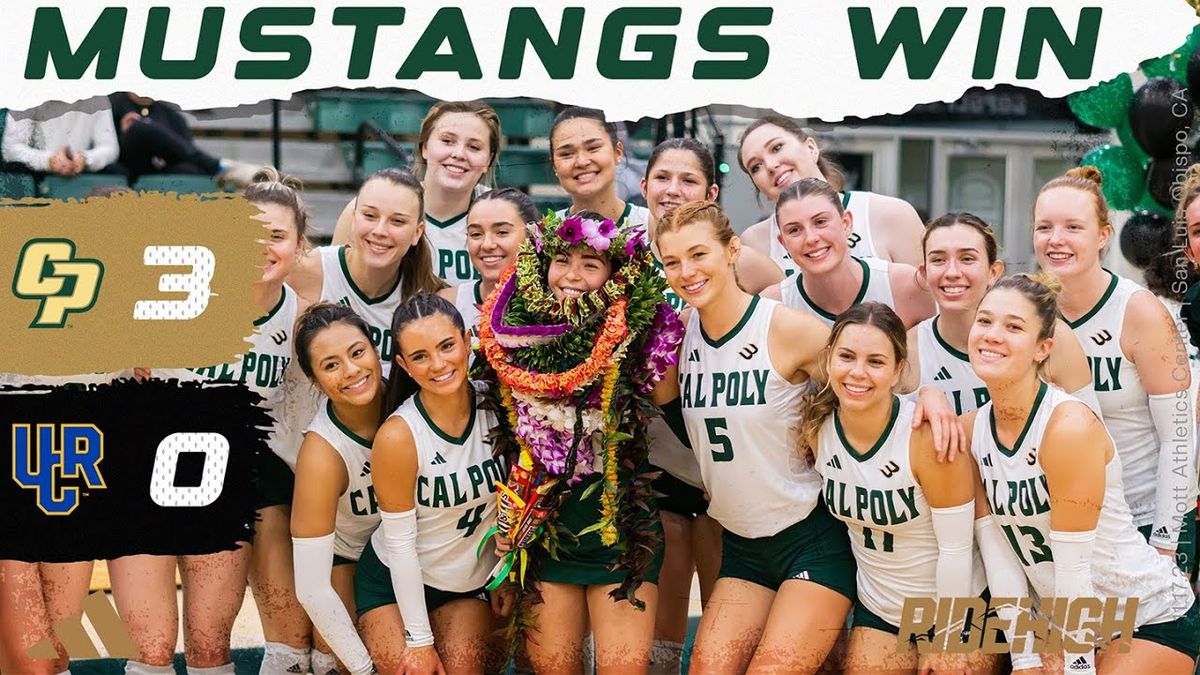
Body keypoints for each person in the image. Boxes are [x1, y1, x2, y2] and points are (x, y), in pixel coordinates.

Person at [654, 200, 959, 673]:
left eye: (699, 254)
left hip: (810, 537)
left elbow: (865, 373)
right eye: (672, 261)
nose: (687, 271)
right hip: (742, 544)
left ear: (732, 250)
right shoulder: (679, 339)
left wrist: (929, 394)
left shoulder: (785, 328)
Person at [477, 210, 683, 672]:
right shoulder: (505, 333)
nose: (572, 275)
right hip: (548, 532)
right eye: (562, 259)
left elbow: (676, 414)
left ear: (613, 276)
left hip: (622, 533)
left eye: (591, 264)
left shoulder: (644, 332)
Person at [968, 273, 1199, 673]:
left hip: (1148, 616)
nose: (992, 335)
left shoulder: (1067, 427)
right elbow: (1001, 556)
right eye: (985, 321)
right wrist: (1024, 660)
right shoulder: (973, 431)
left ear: (1043, 348)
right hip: (1069, 624)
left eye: (1013, 326)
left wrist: (1077, 667)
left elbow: (1074, 573)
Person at [799, 302, 997, 675]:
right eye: (846, 357)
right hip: (881, 611)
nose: (858, 372)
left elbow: (956, 549)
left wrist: (948, 639)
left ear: (898, 370)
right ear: (828, 360)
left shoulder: (928, 437)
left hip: (959, 609)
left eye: (875, 361)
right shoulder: (817, 427)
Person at [1033, 167, 1196, 570]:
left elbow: (1179, 436)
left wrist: (1163, 543)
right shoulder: (1027, 309)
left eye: (1073, 227)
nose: (1056, 240)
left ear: (1103, 235)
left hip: (1144, 518)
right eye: (1044, 227)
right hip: (1063, 521)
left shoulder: (1139, 310)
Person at [355, 293, 507, 673]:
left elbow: (514, 502)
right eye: (420, 356)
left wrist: (504, 571)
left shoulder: (500, 406)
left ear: (467, 340)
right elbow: (400, 544)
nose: (438, 364)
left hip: (466, 586)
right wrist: (419, 643)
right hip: (393, 582)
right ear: (404, 365)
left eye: (447, 346)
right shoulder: (399, 436)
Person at [906, 212, 1099, 416]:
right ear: (925, 273)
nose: (952, 272)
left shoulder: (1052, 335)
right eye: (938, 260)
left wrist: (1055, 411)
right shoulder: (908, 350)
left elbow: (1095, 433)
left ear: (994, 272)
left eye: (967, 258)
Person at [290, 303, 385, 675]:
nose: (352, 371)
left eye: (357, 352)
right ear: (315, 380)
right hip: (350, 554)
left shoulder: (412, 397)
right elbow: (312, 588)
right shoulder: (322, 453)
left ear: (375, 348)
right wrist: (365, 670)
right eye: (331, 365)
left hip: (415, 547)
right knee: (347, 656)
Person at [289, 168, 446, 379]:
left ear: (417, 232)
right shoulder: (306, 271)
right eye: (370, 216)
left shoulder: (428, 300)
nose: (380, 230)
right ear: (353, 220)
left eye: (397, 221)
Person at [333, 101, 501, 285]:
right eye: (447, 141)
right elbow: (337, 288)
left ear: (488, 159)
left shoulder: (505, 216)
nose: (459, 154)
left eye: (474, 147)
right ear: (425, 147)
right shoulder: (368, 210)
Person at [737, 114, 925, 271]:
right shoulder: (754, 243)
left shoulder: (892, 214)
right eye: (756, 167)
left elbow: (931, 305)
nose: (770, 165)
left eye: (777, 148)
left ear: (811, 148)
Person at [761, 178, 935, 329]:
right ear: (783, 243)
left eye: (820, 222)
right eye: (795, 230)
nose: (811, 238)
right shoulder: (771, 306)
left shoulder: (906, 285)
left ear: (846, 224)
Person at [436, 187, 536, 339]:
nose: (487, 244)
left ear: (532, 237)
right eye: (476, 234)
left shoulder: (554, 307)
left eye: (502, 232)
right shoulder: (447, 304)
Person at [107, 92, 257, 186]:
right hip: (127, 164)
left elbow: (186, 152)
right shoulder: (113, 105)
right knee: (140, 127)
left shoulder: (170, 115)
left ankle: (223, 171)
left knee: (189, 169)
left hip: (162, 169)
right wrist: (124, 133)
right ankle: (222, 167)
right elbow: (104, 147)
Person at [550, 106, 649, 230]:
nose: (582, 162)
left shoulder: (652, 227)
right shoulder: (543, 235)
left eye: (593, 148)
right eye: (566, 154)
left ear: (618, 152)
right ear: (554, 165)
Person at [2, 96, 119, 176]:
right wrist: (47, 161)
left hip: (81, 170)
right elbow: (11, 148)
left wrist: (86, 159)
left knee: (118, 172)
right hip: (36, 172)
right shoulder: (27, 94)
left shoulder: (98, 96)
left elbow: (110, 148)